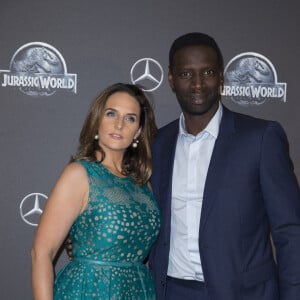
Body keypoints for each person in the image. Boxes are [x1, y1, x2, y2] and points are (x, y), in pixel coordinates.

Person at [148, 32, 300, 300]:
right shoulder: (158, 144)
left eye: (207, 72)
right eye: (185, 74)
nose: (197, 83)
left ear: (221, 76)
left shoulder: (260, 138)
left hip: (243, 293)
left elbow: (289, 231)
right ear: (171, 79)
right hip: (171, 291)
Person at [31, 83, 161, 300]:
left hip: (138, 292)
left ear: (138, 131)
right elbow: (41, 254)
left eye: (130, 118)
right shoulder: (79, 174)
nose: (119, 124)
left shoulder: (143, 185)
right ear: (97, 119)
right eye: (111, 114)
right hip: (87, 291)